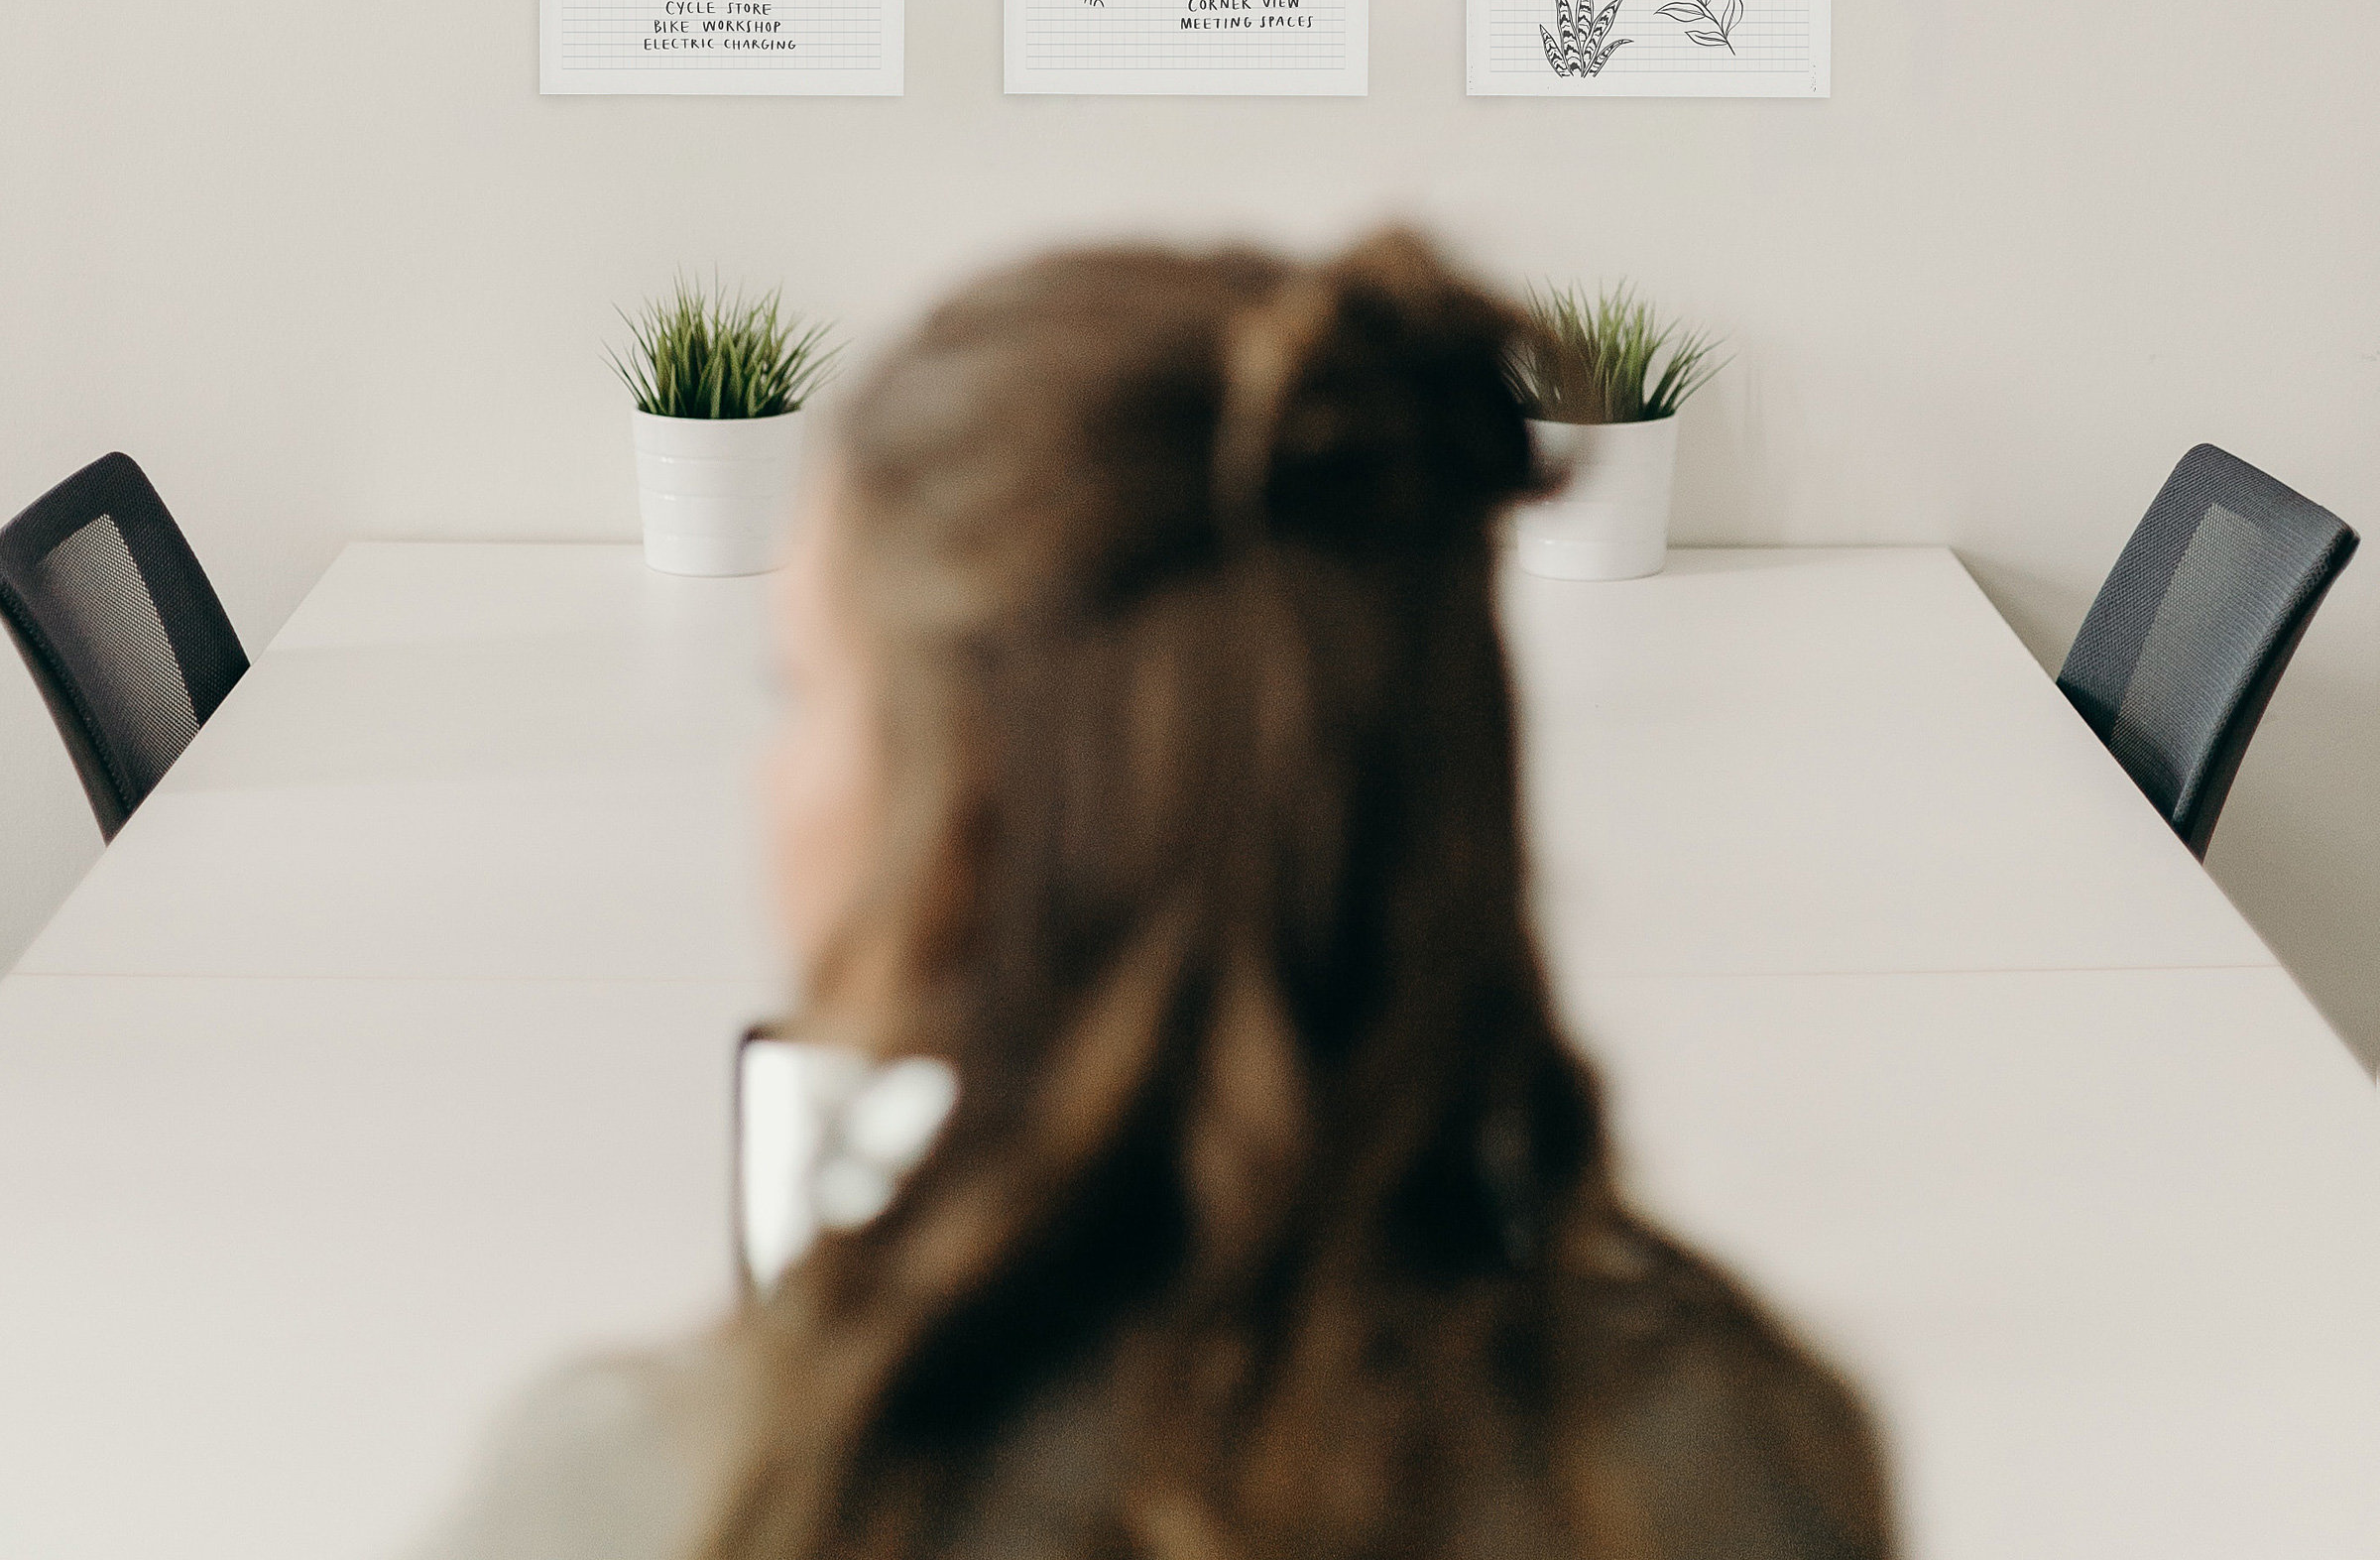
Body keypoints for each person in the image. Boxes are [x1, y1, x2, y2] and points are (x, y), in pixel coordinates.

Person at [411, 231, 1892, 1560]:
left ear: (965, 827)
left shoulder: (654, 1498)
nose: (767, 775)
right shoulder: (1738, 1461)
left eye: (797, 692)